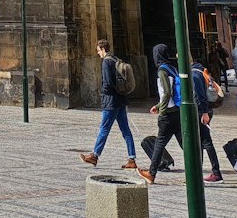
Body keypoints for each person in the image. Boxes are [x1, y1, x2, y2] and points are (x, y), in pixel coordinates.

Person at [79, 39, 137, 170]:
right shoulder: (116, 59)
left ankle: (95, 155)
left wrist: (102, 93)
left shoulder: (106, 62)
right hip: (120, 100)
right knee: (126, 130)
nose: (98, 54)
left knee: (104, 128)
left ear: (103, 49)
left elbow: (108, 82)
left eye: (98, 51)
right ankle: (132, 158)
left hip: (110, 101)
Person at [139, 44, 184, 185]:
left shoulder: (162, 71)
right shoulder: (173, 68)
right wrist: (158, 106)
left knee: (159, 143)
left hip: (168, 114)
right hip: (176, 111)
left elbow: (167, 92)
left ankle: (151, 173)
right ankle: (195, 170)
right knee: (184, 143)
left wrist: (161, 109)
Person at [190, 58, 223, 182]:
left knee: (206, 142)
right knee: (200, 142)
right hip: (205, 110)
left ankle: (216, 172)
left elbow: (200, 95)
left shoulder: (194, 74)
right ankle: (198, 171)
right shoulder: (200, 70)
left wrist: (204, 112)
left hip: (202, 111)